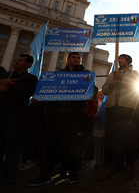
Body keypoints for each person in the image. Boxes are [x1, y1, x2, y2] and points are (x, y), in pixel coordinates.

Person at [29, 52, 97, 186]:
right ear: (68, 59)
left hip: (75, 114)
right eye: (74, 57)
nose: (76, 60)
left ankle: (72, 174)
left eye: (79, 58)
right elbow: (48, 89)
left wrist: (92, 93)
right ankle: (44, 175)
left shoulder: (86, 74)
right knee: (50, 146)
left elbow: (92, 88)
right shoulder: (58, 74)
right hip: (56, 114)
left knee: (73, 147)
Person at [100, 54, 139, 180]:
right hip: (112, 108)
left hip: (127, 108)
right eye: (118, 58)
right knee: (110, 138)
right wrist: (112, 84)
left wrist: (122, 80)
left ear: (128, 61)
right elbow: (105, 89)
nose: (120, 60)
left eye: (122, 58)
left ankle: (129, 166)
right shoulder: (112, 74)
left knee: (128, 137)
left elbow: (136, 87)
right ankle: (109, 165)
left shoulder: (135, 74)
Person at [0, 54, 38, 185]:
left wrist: (7, 88)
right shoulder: (5, 75)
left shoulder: (31, 78)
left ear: (28, 64)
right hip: (1, 112)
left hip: (16, 116)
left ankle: (10, 176)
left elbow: (29, 91)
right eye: (17, 59)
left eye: (21, 60)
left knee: (12, 147)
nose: (16, 61)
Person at [93, 90, 105, 167]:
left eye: (102, 93)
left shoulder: (105, 102)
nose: (100, 95)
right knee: (98, 143)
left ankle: (104, 158)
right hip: (97, 124)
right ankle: (98, 158)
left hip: (104, 124)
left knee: (104, 143)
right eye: (99, 93)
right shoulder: (95, 102)